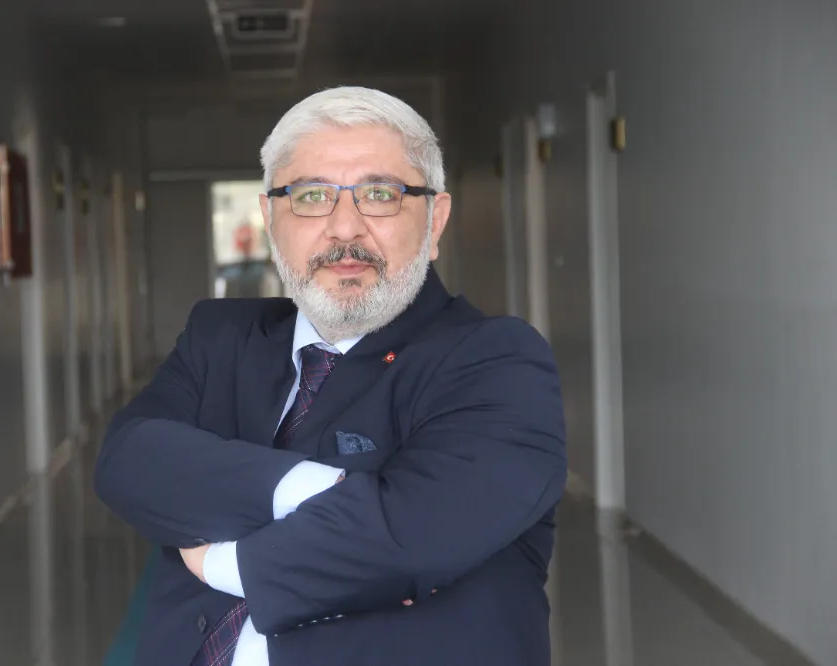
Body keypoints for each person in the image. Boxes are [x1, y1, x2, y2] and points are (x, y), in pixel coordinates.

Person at [94, 86, 567, 666]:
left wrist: (222, 560)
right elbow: (128, 461)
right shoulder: (220, 337)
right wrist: (319, 491)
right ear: (270, 218)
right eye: (311, 195)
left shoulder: (497, 360)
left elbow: (409, 537)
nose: (345, 228)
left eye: (381, 194)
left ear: (435, 219)